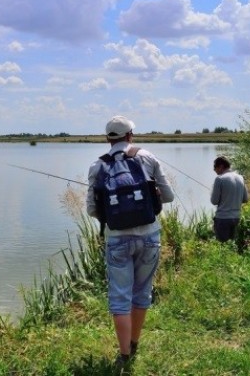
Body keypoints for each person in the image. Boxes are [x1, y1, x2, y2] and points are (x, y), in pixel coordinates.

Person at [86, 115, 174, 367]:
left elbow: (92, 209)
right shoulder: (147, 157)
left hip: (116, 239)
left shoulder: (97, 166)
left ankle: (124, 355)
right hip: (149, 235)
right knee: (141, 292)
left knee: (120, 296)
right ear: (130, 136)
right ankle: (134, 343)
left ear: (107, 139)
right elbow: (168, 197)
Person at [210, 155, 248, 242]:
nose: (214, 170)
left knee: (222, 247)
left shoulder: (219, 179)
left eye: (215, 167)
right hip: (236, 218)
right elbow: (245, 199)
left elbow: (214, 201)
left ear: (221, 166)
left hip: (223, 219)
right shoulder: (240, 177)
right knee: (232, 246)